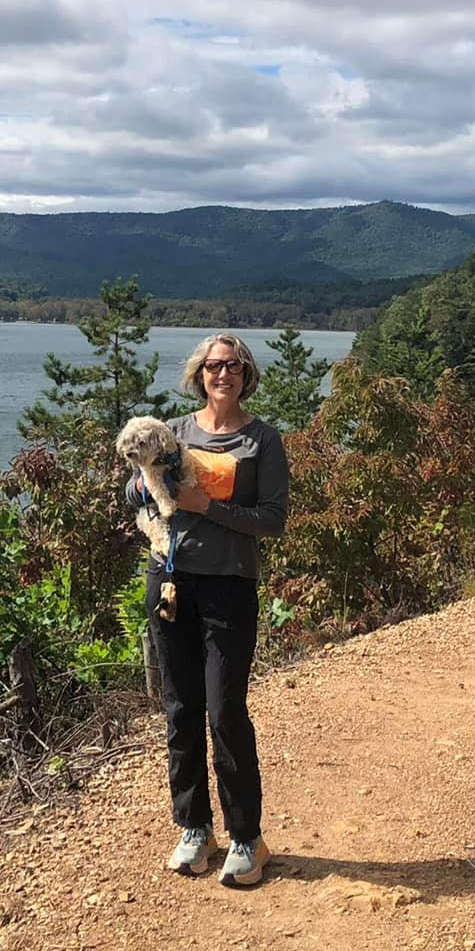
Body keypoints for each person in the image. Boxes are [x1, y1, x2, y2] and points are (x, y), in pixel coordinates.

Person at [128, 332, 290, 888]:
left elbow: (271, 520)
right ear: (199, 373)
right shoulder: (172, 432)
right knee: (179, 707)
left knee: (224, 711)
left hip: (229, 586)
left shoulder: (262, 441)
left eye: (235, 365)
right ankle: (194, 828)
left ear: (247, 375)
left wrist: (207, 506)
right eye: (215, 365)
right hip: (170, 580)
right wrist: (143, 486)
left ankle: (248, 836)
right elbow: (136, 489)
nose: (225, 373)